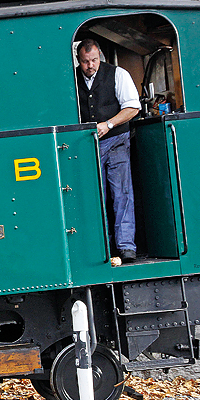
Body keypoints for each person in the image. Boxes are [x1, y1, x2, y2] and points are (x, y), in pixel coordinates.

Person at [75, 39, 140, 263]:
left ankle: (126, 246)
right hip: (86, 145)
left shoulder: (118, 74)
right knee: (94, 197)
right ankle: (101, 247)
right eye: (85, 62)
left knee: (122, 194)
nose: (90, 66)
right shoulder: (71, 79)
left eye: (94, 60)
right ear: (78, 60)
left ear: (100, 56)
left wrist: (109, 124)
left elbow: (133, 107)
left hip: (116, 140)